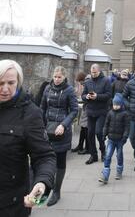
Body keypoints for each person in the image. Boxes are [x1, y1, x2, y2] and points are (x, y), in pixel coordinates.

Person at [0, 59, 56, 217]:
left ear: (18, 82)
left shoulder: (30, 113)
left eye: (11, 83)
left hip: (11, 205)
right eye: (0, 83)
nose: (5, 89)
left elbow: (45, 156)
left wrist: (41, 187)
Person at [40, 65, 78, 206]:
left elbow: (74, 111)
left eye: (59, 77)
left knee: (59, 162)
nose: (56, 79)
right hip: (47, 129)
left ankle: (56, 191)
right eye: (55, 77)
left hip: (62, 130)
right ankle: (42, 191)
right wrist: (40, 124)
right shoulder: (47, 89)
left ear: (64, 77)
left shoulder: (69, 90)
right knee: (44, 161)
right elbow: (42, 107)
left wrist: (63, 124)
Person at [82, 64, 112, 164]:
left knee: (99, 132)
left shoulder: (106, 81)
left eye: (95, 72)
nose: (93, 74)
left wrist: (97, 96)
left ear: (99, 71)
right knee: (90, 133)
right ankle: (93, 155)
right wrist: (86, 96)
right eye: (92, 72)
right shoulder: (87, 82)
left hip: (101, 111)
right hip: (90, 111)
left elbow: (108, 95)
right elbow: (83, 95)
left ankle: (103, 151)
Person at [99, 93, 130, 184]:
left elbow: (127, 127)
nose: (115, 106)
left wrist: (125, 136)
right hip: (111, 139)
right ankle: (105, 175)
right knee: (108, 156)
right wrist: (104, 134)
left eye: (117, 104)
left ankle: (119, 171)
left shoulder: (125, 114)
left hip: (120, 140)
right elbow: (106, 125)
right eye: (114, 104)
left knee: (119, 155)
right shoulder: (110, 113)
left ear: (121, 104)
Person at [71, 72, 89, 154]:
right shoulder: (85, 83)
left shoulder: (87, 83)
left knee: (86, 128)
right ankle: (80, 145)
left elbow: (84, 96)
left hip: (88, 108)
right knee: (83, 128)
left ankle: (87, 147)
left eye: (80, 82)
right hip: (86, 107)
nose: (80, 84)